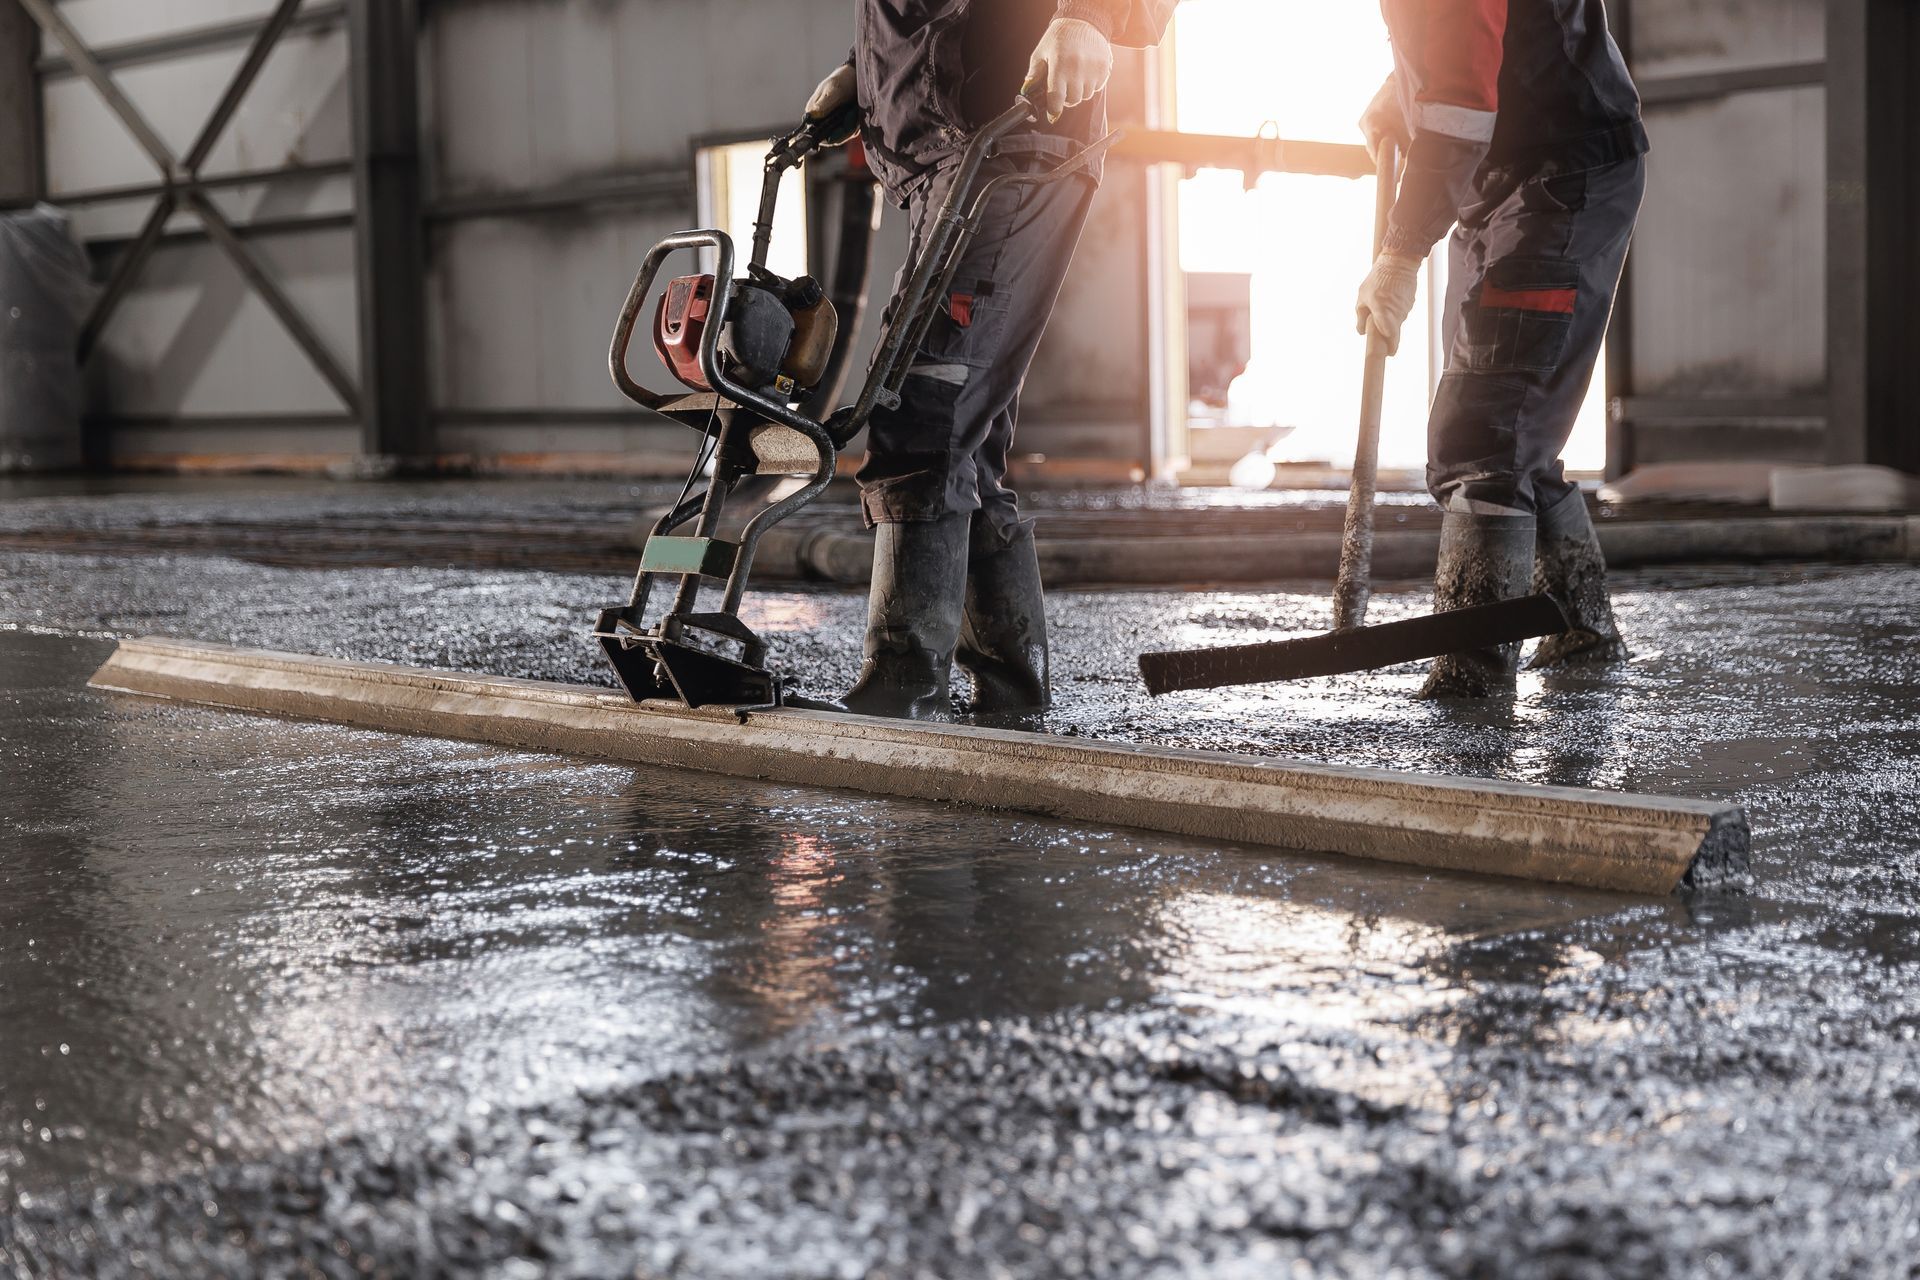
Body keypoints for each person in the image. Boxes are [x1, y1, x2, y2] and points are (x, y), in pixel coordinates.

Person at [806, 0, 1174, 721]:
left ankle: (904, 684)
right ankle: (1010, 695)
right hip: (944, 149)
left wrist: (1092, 14)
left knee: (925, 405)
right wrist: (870, 72)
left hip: (1008, 134)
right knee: (960, 434)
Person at [1354, 0, 1647, 698]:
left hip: (1558, 179)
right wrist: (1404, 86)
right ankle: (1582, 633)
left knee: (1483, 438)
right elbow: (1475, 50)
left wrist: (1399, 254)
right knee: (1517, 435)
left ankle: (1471, 675)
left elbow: (1459, 106)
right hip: (1507, 175)